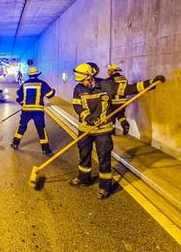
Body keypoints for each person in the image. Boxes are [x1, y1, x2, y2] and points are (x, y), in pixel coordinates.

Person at [69, 63, 165, 199]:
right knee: (84, 154)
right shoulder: (78, 89)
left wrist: (150, 83)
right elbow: (77, 106)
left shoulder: (107, 85)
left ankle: (104, 187)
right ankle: (84, 178)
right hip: (85, 129)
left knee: (104, 158)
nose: (81, 83)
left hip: (103, 130)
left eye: (83, 79)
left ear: (90, 76)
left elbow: (128, 89)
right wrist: (89, 118)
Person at [11, 66, 55, 155]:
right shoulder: (42, 84)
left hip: (26, 110)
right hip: (38, 111)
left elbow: (18, 98)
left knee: (22, 126)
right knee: (40, 129)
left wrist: (23, 103)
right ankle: (45, 149)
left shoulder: (24, 84)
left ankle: (15, 144)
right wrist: (53, 90)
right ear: (37, 74)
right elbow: (50, 95)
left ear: (28, 75)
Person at [106, 63, 130, 135]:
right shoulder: (124, 78)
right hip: (122, 101)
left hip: (113, 101)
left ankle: (112, 131)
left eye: (108, 70)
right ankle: (125, 125)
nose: (108, 72)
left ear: (112, 70)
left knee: (111, 116)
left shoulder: (109, 80)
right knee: (121, 115)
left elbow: (108, 90)